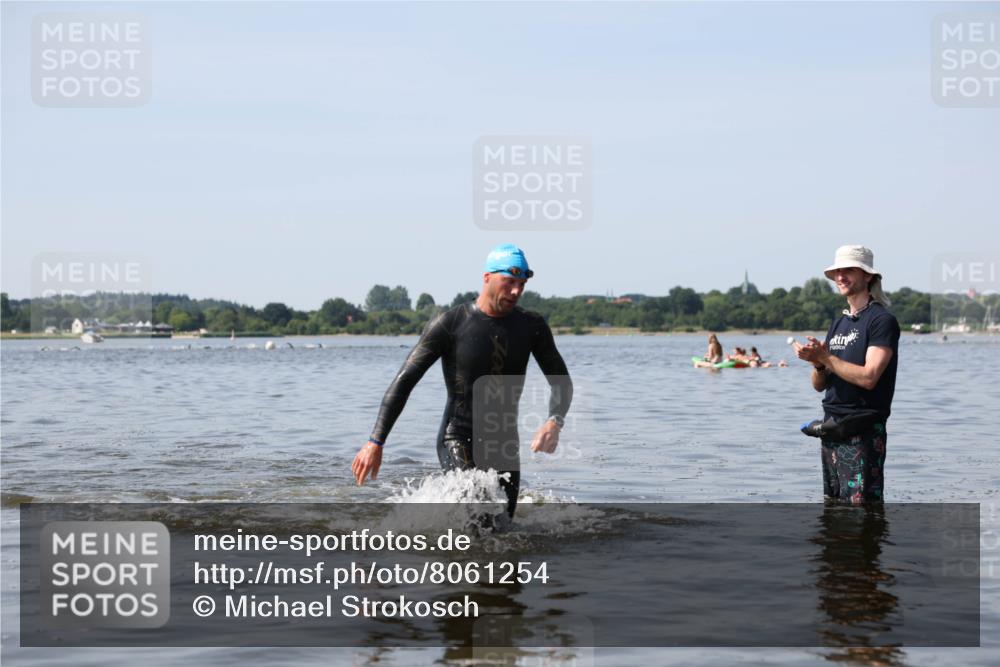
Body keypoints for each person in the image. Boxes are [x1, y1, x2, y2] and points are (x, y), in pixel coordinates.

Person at [351, 244, 573, 519]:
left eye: (521, 285)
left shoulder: (532, 326)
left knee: (503, 526)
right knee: (478, 510)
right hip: (457, 436)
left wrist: (554, 421)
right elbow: (405, 380)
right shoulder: (451, 323)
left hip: (504, 442)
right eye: (509, 282)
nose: (516, 291)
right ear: (487, 277)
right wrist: (375, 442)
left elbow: (561, 382)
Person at [794, 245, 900, 503]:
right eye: (837, 272)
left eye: (849, 270)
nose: (840, 277)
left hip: (863, 430)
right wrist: (818, 364)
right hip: (831, 428)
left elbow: (869, 377)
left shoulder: (881, 321)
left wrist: (826, 357)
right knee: (832, 509)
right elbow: (820, 385)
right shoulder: (838, 323)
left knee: (863, 511)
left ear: (868, 276)